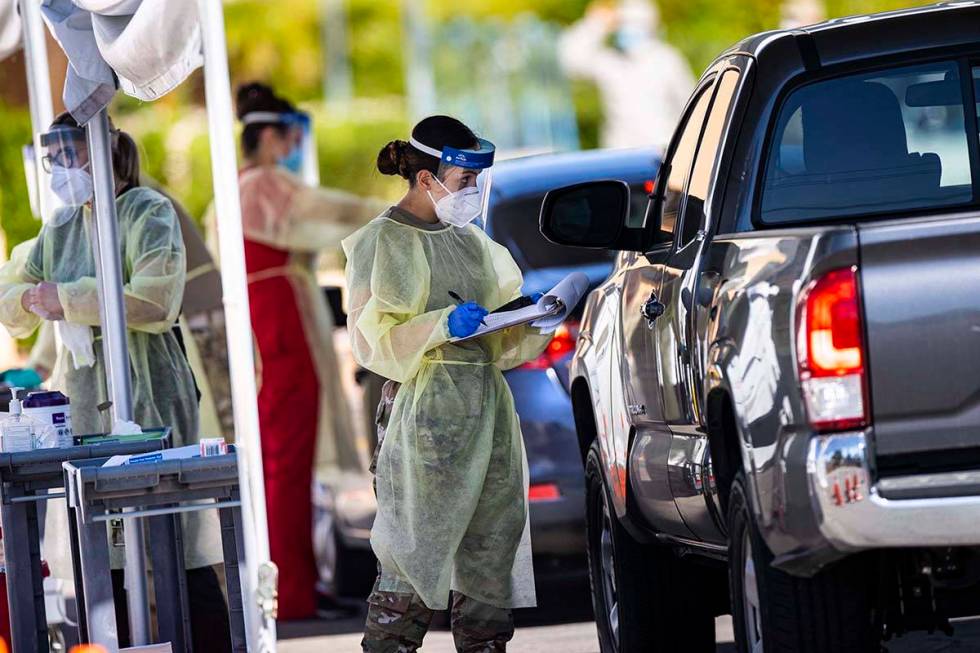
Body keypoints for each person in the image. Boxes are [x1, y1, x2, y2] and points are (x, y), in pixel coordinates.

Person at [0, 112, 231, 650]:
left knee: (173, 535)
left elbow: (155, 299)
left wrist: (69, 297)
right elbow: (15, 292)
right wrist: (35, 298)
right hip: (85, 399)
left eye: (67, 153)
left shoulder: (148, 211)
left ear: (100, 152)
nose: (58, 167)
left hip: (150, 388)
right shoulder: (61, 225)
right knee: (103, 549)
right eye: (52, 156)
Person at [343, 116, 554, 652]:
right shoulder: (381, 242)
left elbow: (498, 338)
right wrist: (440, 325)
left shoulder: (469, 243)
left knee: (489, 551)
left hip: (487, 416)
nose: (472, 194)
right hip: (423, 421)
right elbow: (372, 343)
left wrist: (528, 320)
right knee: (414, 553)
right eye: (464, 182)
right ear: (426, 179)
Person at [232, 82, 382, 619]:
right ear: (271, 136)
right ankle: (289, 590)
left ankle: (297, 582)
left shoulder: (250, 185)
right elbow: (331, 209)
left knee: (288, 462)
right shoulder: (262, 185)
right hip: (278, 324)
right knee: (286, 461)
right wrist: (393, 209)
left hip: (276, 317)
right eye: (290, 136)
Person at [559, 0, 695, 150]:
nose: (626, 28)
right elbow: (571, 59)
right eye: (621, 23)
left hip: (662, 155)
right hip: (620, 157)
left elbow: (690, 105)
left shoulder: (667, 60)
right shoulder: (610, 61)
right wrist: (596, 23)